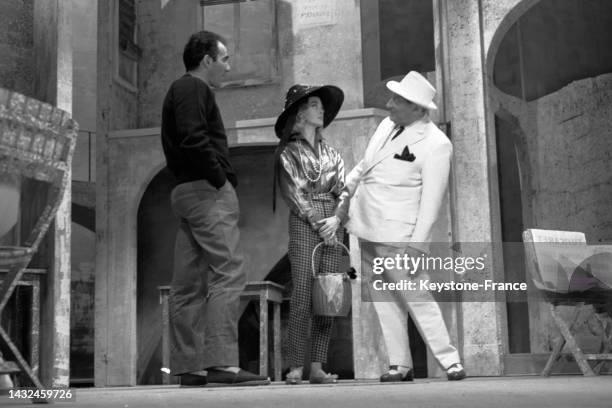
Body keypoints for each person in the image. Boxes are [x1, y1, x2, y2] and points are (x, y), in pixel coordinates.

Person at [160, 30, 269, 387]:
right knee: (229, 272)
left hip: (186, 191)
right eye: (224, 59)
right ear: (206, 60)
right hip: (206, 191)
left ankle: (189, 367)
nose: (228, 66)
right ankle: (222, 362)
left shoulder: (181, 89)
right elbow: (194, 137)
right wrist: (220, 178)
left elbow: (187, 139)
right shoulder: (194, 88)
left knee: (188, 284)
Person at [344, 71, 466, 381]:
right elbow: (365, 164)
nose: (389, 104)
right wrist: (345, 193)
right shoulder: (386, 125)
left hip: (400, 235)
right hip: (367, 227)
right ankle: (400, 364)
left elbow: (432, 202)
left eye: (397, 100)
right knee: (384, 301)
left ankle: (450, 361)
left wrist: (418, 245)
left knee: (417, 297)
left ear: (416, 107)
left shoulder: (437, 144)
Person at [273, 84, 348, 384]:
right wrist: (320, 223)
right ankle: (294, 366)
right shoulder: (287, 153)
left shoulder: (333, 153)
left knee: (328, 296)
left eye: (321, 105)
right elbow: (294, 194)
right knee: (303, 294)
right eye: (315, 104)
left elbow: (343, 190)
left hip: (333, 222)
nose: (322, 109)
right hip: (307, 223)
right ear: (300, 113)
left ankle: (317, 366)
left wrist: (337, 219)